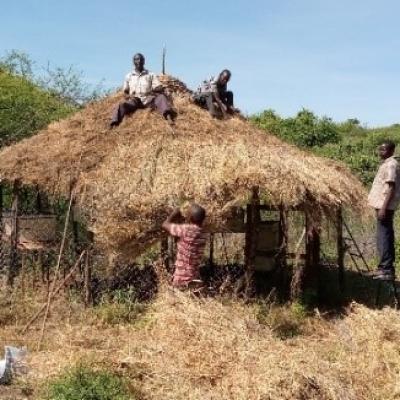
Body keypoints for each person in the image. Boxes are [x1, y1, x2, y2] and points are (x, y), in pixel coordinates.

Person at [110, 53, 176, 127]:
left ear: (144, 62)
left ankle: (168, 117)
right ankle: (114, 123)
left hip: (148, 99)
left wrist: (161, 88)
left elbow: (157, 86)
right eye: (137, 59)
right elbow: (126, 91)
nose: (139, 61)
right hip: (135, 100)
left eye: (141, 59)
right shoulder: (129, 76)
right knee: (121, 105)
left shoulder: (150, 74)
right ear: (133, 62)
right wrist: (128, 96)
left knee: (161, 97)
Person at [368, 140, 400, 280]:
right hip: (383, 206)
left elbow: (391, 187)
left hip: (384, 206)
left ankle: (385, 269)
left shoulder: (391, 165)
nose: (380, 152)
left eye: (384, 150)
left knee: (384, 236)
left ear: (391, 151)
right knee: (385, 235)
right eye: (379, 149)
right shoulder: (387, 164)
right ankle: (385, 268)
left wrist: (383, 208)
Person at [162, 204, 207, 289]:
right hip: (194, 276)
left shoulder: (186, 230)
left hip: (182, 278)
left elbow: (165, 224)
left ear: (190, 218)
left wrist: (175, 212)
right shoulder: (203, 233)